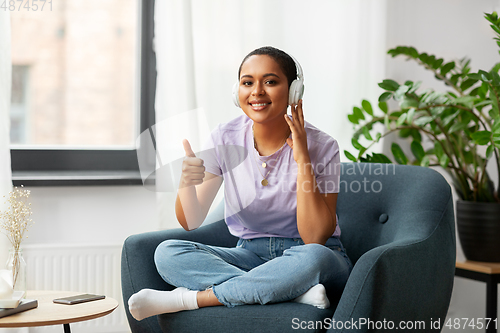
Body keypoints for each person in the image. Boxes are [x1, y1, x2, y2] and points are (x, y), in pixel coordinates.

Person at [128, 46, 352, 321]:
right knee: (167, 253)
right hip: (249, 255)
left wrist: (302, 158)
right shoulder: (225, 137)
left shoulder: (323, 145)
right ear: (238, 92)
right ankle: (288, 291)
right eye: (248, 83)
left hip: (311, 256)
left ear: (294, 91)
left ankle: (190, 300)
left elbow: (314, 238)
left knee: (315, 259)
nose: (257, 91)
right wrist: (186, 183)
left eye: (270, 81)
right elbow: (191, 220)